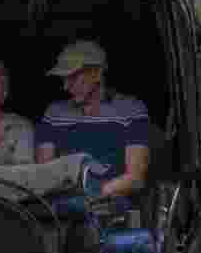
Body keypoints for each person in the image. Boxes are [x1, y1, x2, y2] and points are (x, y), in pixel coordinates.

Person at [36, 40, 150, 202]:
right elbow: (44, 176)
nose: (66, 87)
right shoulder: (53, 114)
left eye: (73, 78)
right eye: (64, 79)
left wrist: (96, 195)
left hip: (110, 208)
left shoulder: (130, 110)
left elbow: (135, 178)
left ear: (97, 73)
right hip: (60, 211)